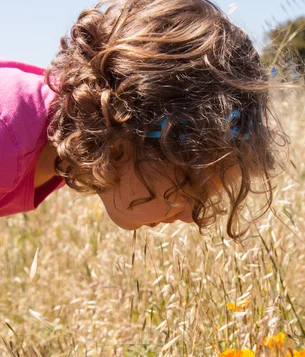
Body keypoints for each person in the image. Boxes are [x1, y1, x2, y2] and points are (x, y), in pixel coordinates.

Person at [0, 0, 285, 241]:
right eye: (191, 188)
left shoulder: (52, 143)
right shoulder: (7, 139)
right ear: (125, 132)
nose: (188, 216)